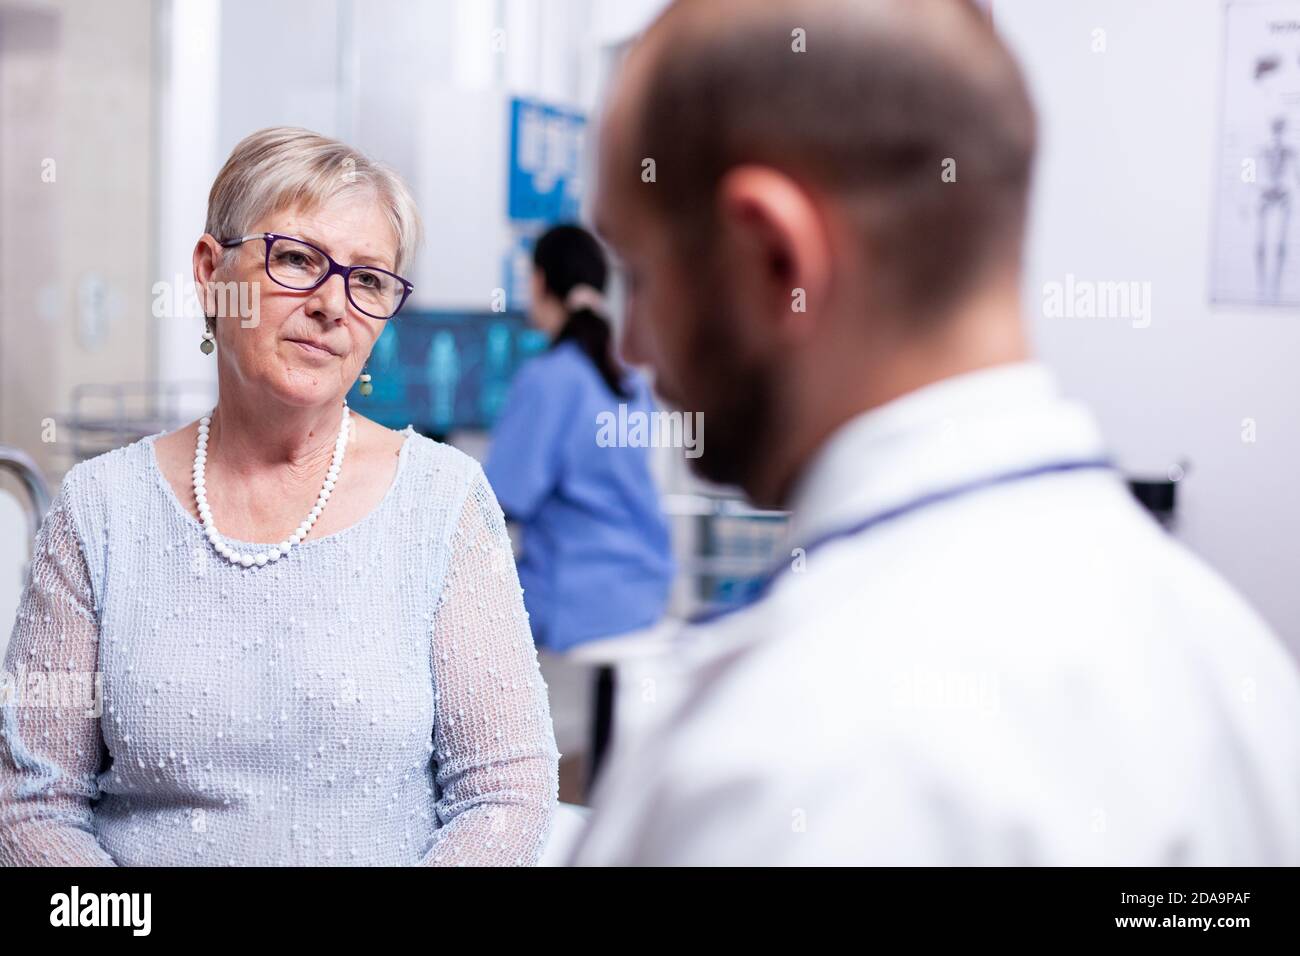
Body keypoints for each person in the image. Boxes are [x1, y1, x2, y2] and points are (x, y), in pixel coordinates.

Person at [569, 0, 1300, 865]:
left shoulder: (770, 758)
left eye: (640, 273)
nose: (628, 343)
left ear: (778, 259)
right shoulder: (1236, 666)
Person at [0, 127, 559, 866]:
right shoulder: (99, 510)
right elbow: (33, 804)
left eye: (368, 280)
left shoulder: (442, 502)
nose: (334, 304)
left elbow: (506, 791)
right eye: (297, 258)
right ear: (210, 272)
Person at [485, 225, 674, 794]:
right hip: (643, 586)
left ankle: (489, 794)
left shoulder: (549, 378)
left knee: (450, 603)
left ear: (542, 282)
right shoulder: (628, 381)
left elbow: (503, 497)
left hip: (577, 595)